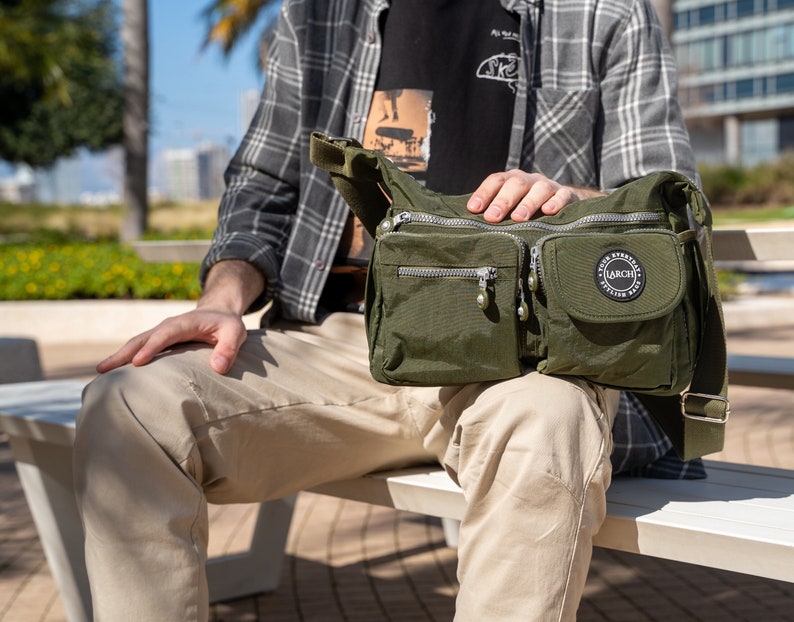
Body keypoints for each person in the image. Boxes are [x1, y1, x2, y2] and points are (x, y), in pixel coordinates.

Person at [73, 0, 702, 620]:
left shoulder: (605, 13)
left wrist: (576, 203)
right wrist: (223, 298)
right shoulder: (317, 14)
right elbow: (262, 187)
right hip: (348, 340)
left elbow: (669, 205)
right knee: (129, 405)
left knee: (549, 422)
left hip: (530, 357)